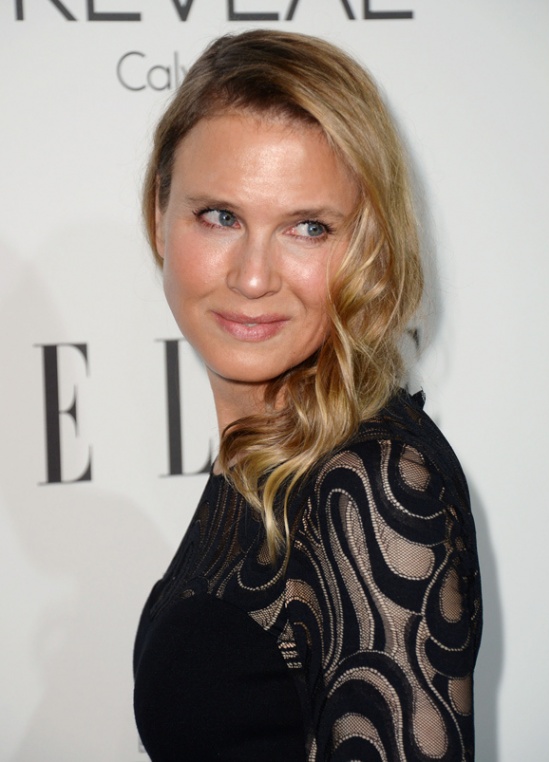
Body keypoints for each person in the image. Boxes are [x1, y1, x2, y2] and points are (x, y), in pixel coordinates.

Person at [133, 29, 482, 762]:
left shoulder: (372, 485)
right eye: (220, 216)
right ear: (158, 215)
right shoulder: (270, 451)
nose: (254, 277)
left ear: (369, 250)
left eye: (308, 228)